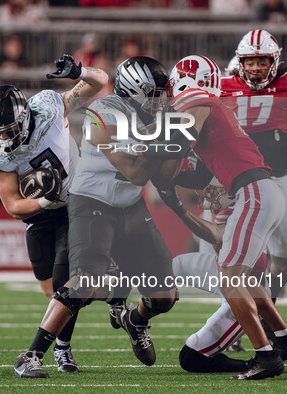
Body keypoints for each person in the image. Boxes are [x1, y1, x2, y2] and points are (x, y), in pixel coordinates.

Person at [129, 54, 287, 380]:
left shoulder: (193, 98)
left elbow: (177, 149)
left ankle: (266, 356)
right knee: (240, 280)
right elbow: (188, 174)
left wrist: (147, 148)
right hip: (259, 192)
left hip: (253, 191)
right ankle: (284, 339)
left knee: (230, 278)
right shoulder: (212, 110)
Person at [13, 56, 180, 378]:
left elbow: (167, 177)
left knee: (164, 295)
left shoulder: (160, 117)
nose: (162, 99)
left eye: (164, 92)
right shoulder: (103, 114)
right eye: (155, 93)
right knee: (84, 283)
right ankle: (32, 354)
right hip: (92, 202)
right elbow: (134, 172)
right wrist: (170, 143)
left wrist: (175, 148)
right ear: (135, 90)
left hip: (131, 206)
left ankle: (136, 319)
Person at [0, 54, 108, 375]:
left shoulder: (49, 109)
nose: (3, 139)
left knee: (67, 281)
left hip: (79, 203)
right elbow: (12, 206)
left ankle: (57, 350)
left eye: (8, 130)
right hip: (41, 215)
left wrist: (80, 72)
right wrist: (46, 202)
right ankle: (98, 298)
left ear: (23, 118)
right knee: (51, 290)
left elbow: (99, 82)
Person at [221, 29, 287, 299]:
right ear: (240, 63)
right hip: (239, 181)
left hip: (280, 179)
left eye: (262, 62)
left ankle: (266, 314)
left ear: (274, 62)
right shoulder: (224, 86)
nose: (256, 68)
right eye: (250, 62)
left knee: (284, 261)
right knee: (240, 261)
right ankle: (239, 322)